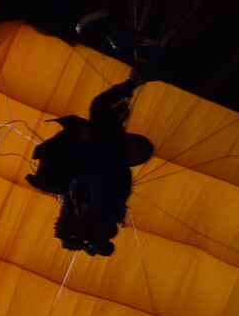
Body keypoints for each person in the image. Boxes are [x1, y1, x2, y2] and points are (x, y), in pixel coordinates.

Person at [26, 79, 153, 256]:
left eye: (137, 156)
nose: (131, 153)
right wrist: (130, 84)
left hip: (70, 182)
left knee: (89, 205)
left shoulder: (121, 174)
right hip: (64, 168)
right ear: (129, 140)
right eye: (134, 148)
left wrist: (68, 232)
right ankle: (94, 234)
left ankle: (93, 234)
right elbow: (99, 106)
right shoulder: (107, 137)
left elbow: (74, 194)